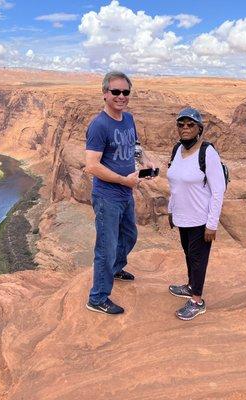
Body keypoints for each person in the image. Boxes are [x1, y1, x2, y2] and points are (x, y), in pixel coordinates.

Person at [84, 71, 155, 315]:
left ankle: (115, 268)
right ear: (105, 94)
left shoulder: (128, 119)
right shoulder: (99, 125)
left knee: (130, 236)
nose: (121, 96)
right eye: (115, 92)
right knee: (106, 246)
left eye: (125, 92)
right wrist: (123, 180)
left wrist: (143, 163)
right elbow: (92, 165)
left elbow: (134, 146)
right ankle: (98, 297)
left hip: (125, 193)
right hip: (107, 196)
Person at [167, 107, 226, 320]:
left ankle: (197, 301)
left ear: (199, 129)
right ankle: (191, 285)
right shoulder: (177, 150)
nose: (185, 128)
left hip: (201, 219)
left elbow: (218, 190)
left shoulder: (207, 152)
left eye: (190, 125)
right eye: (181, 124)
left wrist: (212, 224)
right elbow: (174, 183)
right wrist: (171, 210)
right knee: (189, 255)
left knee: (198, 259)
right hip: (183, 216)